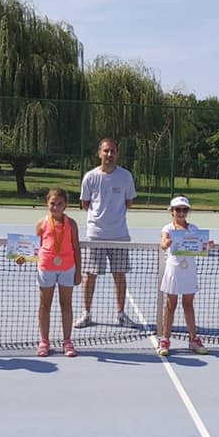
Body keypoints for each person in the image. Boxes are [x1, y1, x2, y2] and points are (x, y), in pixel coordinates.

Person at [75, 137, 138, 329]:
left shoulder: (126, 176)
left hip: (119, 235)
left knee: (119, 275)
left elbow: (129, 201)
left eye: (112, 151)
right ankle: (86, 314)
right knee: (90, 275)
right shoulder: (90, 177)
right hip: (96, 235)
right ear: (99, 153)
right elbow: (85, 204)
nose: (109, 154)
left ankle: (121, 314)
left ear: (117, 154)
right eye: (106, 151)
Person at [16, 188, 82, 357]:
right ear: (47, 203)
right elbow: (34, 247)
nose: (56, 207)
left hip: (67, 268)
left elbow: (76, 248)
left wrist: (78, 272)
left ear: (65, 205)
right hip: (46, 268)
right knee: (45, 305)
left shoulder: (71, 224)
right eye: (53, 203)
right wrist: (23, 257)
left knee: (66, 304)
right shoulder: (42, 223)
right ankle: (44, 341)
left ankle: (67, 341)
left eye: (60, 204)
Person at [156, 195, 214, 356]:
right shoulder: (167, 228)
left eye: (184, 210)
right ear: (172, 211)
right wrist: (166, 243)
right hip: (174, 270)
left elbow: (200, 247)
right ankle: (165, 339)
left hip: (189, 270)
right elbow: (163, 243)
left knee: (188, 305)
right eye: (178, 210)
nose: (181, 213)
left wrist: (208, 246)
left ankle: (193, 339)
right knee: (171, 305)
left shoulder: (194, 228)